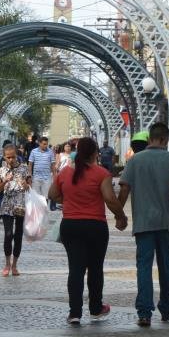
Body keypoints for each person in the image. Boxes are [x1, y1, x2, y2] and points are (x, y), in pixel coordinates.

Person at [48, 137, 128, 325]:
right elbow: (109, 198)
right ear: (94, 153)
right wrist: (121, 216)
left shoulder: (65, 172)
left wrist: (68, 200)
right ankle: (95, 308)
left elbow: (52, 194)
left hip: (70, 226)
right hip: (95, 226)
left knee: (75, 269)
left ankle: (74, 312)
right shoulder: (101, 173)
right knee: (95, 268)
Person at [117, 123, 169, 325]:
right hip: (166, 223)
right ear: (165, 139)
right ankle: (167, 308)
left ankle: (144, 312)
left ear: (150, 139)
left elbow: (124, 190)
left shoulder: (134, 161)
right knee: (166, 266)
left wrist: (120, 215)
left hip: (143, 224)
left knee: (144, 267)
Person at [0, 143, 31, 277]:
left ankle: (15, 265)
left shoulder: (24, 168)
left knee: (18, 235)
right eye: (8, 157)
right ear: (4, 157)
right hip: (7, 205)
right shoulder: (1, 171)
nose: (11, 160)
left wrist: (26, 184)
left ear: (17, 156)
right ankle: (7, 263)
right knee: (8, 234)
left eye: (13, 157)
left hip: (20, 205)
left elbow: (30, 187)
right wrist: (5, 181)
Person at [28, 136, 56, 211]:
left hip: (47, 178)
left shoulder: (50, 152)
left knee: (45, 196)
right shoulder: (34, 151)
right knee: (36, 196)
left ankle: (44, 210)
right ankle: (37, 211)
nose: (45, 146)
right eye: (44, 144)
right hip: (36, 177)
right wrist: (30, 175)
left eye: (46, 144)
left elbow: (53, 165)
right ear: (39, 143)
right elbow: (30, 164)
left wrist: (55, 176)